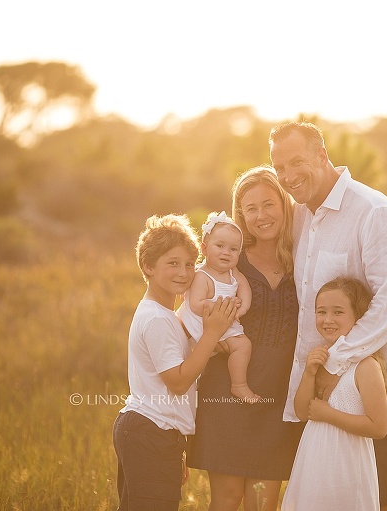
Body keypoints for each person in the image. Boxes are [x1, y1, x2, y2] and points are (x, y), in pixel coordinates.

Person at [269, 121, 387, 511]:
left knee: (381, 500)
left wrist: (337, 362)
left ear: (322, 156)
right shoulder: (301, 214)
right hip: (316, 387)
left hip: (369, 388)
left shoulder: (374, 212)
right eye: (280, 168)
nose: (288, 177)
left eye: (297, 162)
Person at [187, 166, 305, 511]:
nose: (260, 216)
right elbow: (197, 306)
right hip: (227, 391)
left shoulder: (304, 256)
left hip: (279, 396)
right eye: (250, 209)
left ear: (285, 205)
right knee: (226, 500)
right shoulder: (229, 259)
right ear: (240, 214)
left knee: (264, 503)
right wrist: (212, 337)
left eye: (269, 205)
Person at [112, 214, 238, 511]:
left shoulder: (165, 315)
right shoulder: (157, 319)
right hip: (150, 431)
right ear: (148, 266)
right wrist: (211, 334)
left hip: (155, 431)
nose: (184, 273)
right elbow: (179, 382)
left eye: (189, 264)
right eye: (172, 263)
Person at [282, 277, 387, 511]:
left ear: (358, 317)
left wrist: (328, 414)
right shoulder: (322, 359)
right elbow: (302, 412)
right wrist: (310, 373)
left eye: (338, 312)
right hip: (314, 461)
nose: (328, 320)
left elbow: (379, 427)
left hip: (347, 465)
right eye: (321, 312)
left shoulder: (366, 366)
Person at [178, 211, 259, 403]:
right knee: (191, 364)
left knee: (243, 345)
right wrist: (221, 307)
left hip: (225, 322)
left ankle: (238, 385)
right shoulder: (202, 276)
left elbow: (244, 286)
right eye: (220, 246)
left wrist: (242, 308)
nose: (226, 252)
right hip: (201, 325)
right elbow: (196, 305)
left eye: (233, 249)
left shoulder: (232, 272)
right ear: (204, 249)